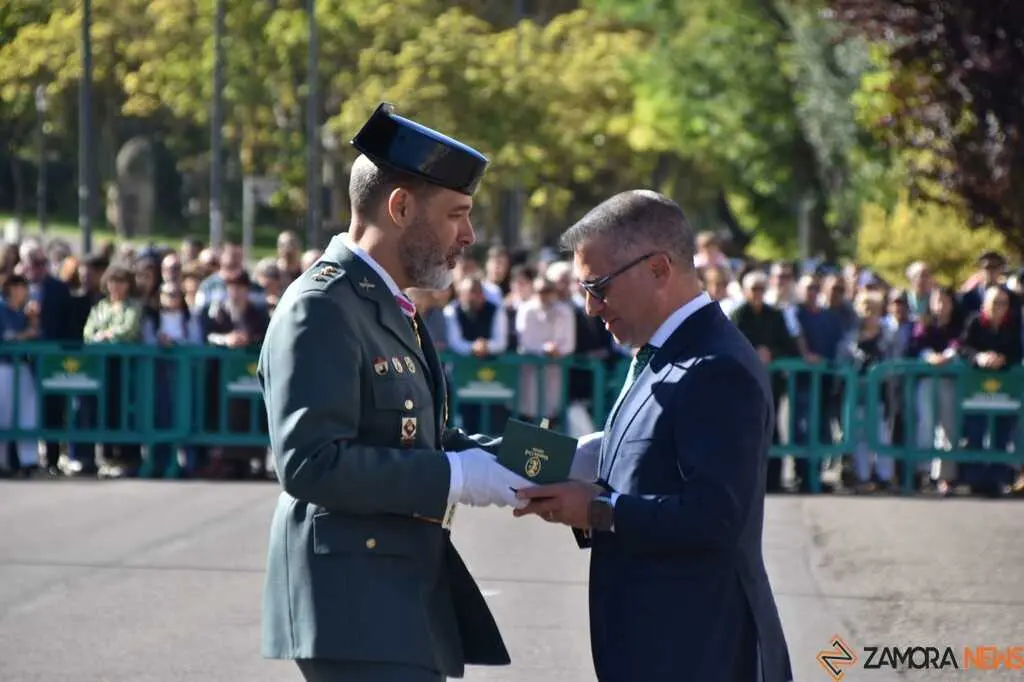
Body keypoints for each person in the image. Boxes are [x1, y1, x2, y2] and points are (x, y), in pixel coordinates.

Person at [257, 103, 532, 682]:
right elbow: (310, 463)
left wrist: (546, 459)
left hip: (393, 590)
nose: (469, 235)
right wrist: (457, 478)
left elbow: (428, 436)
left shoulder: (378, 302)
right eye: (457, 215)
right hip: (353, 603)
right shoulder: (322, 306)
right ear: (400, 206)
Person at [514, 190, 793, 682]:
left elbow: (715, 518)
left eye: (598, 286)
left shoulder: (715, 365)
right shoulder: (663, 349)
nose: (590, 308)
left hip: (699, 650)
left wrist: (597, 510)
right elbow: (623, 449)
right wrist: (503, 453)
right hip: (660, 644)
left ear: (658, 269)